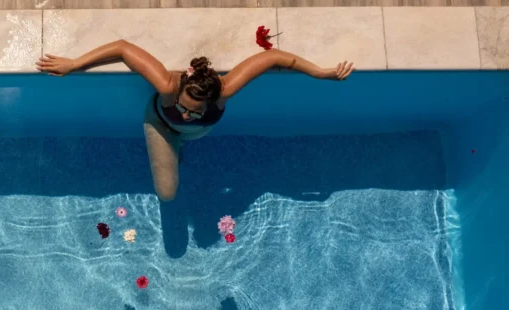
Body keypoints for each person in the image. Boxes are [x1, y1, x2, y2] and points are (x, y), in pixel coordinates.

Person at [36, 40, 353, 202]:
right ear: (181, 87)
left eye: (194, 110)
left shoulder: (224, 92)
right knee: (167, 193)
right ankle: (170, 151)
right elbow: (122, 48)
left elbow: (273, 58)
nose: (187, 112)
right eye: (184, 106)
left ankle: (178, 150)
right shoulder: (168, 86)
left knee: (184, 144)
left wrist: (320, 73)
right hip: (161, 127)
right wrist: (75, 64)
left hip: (195, 136)